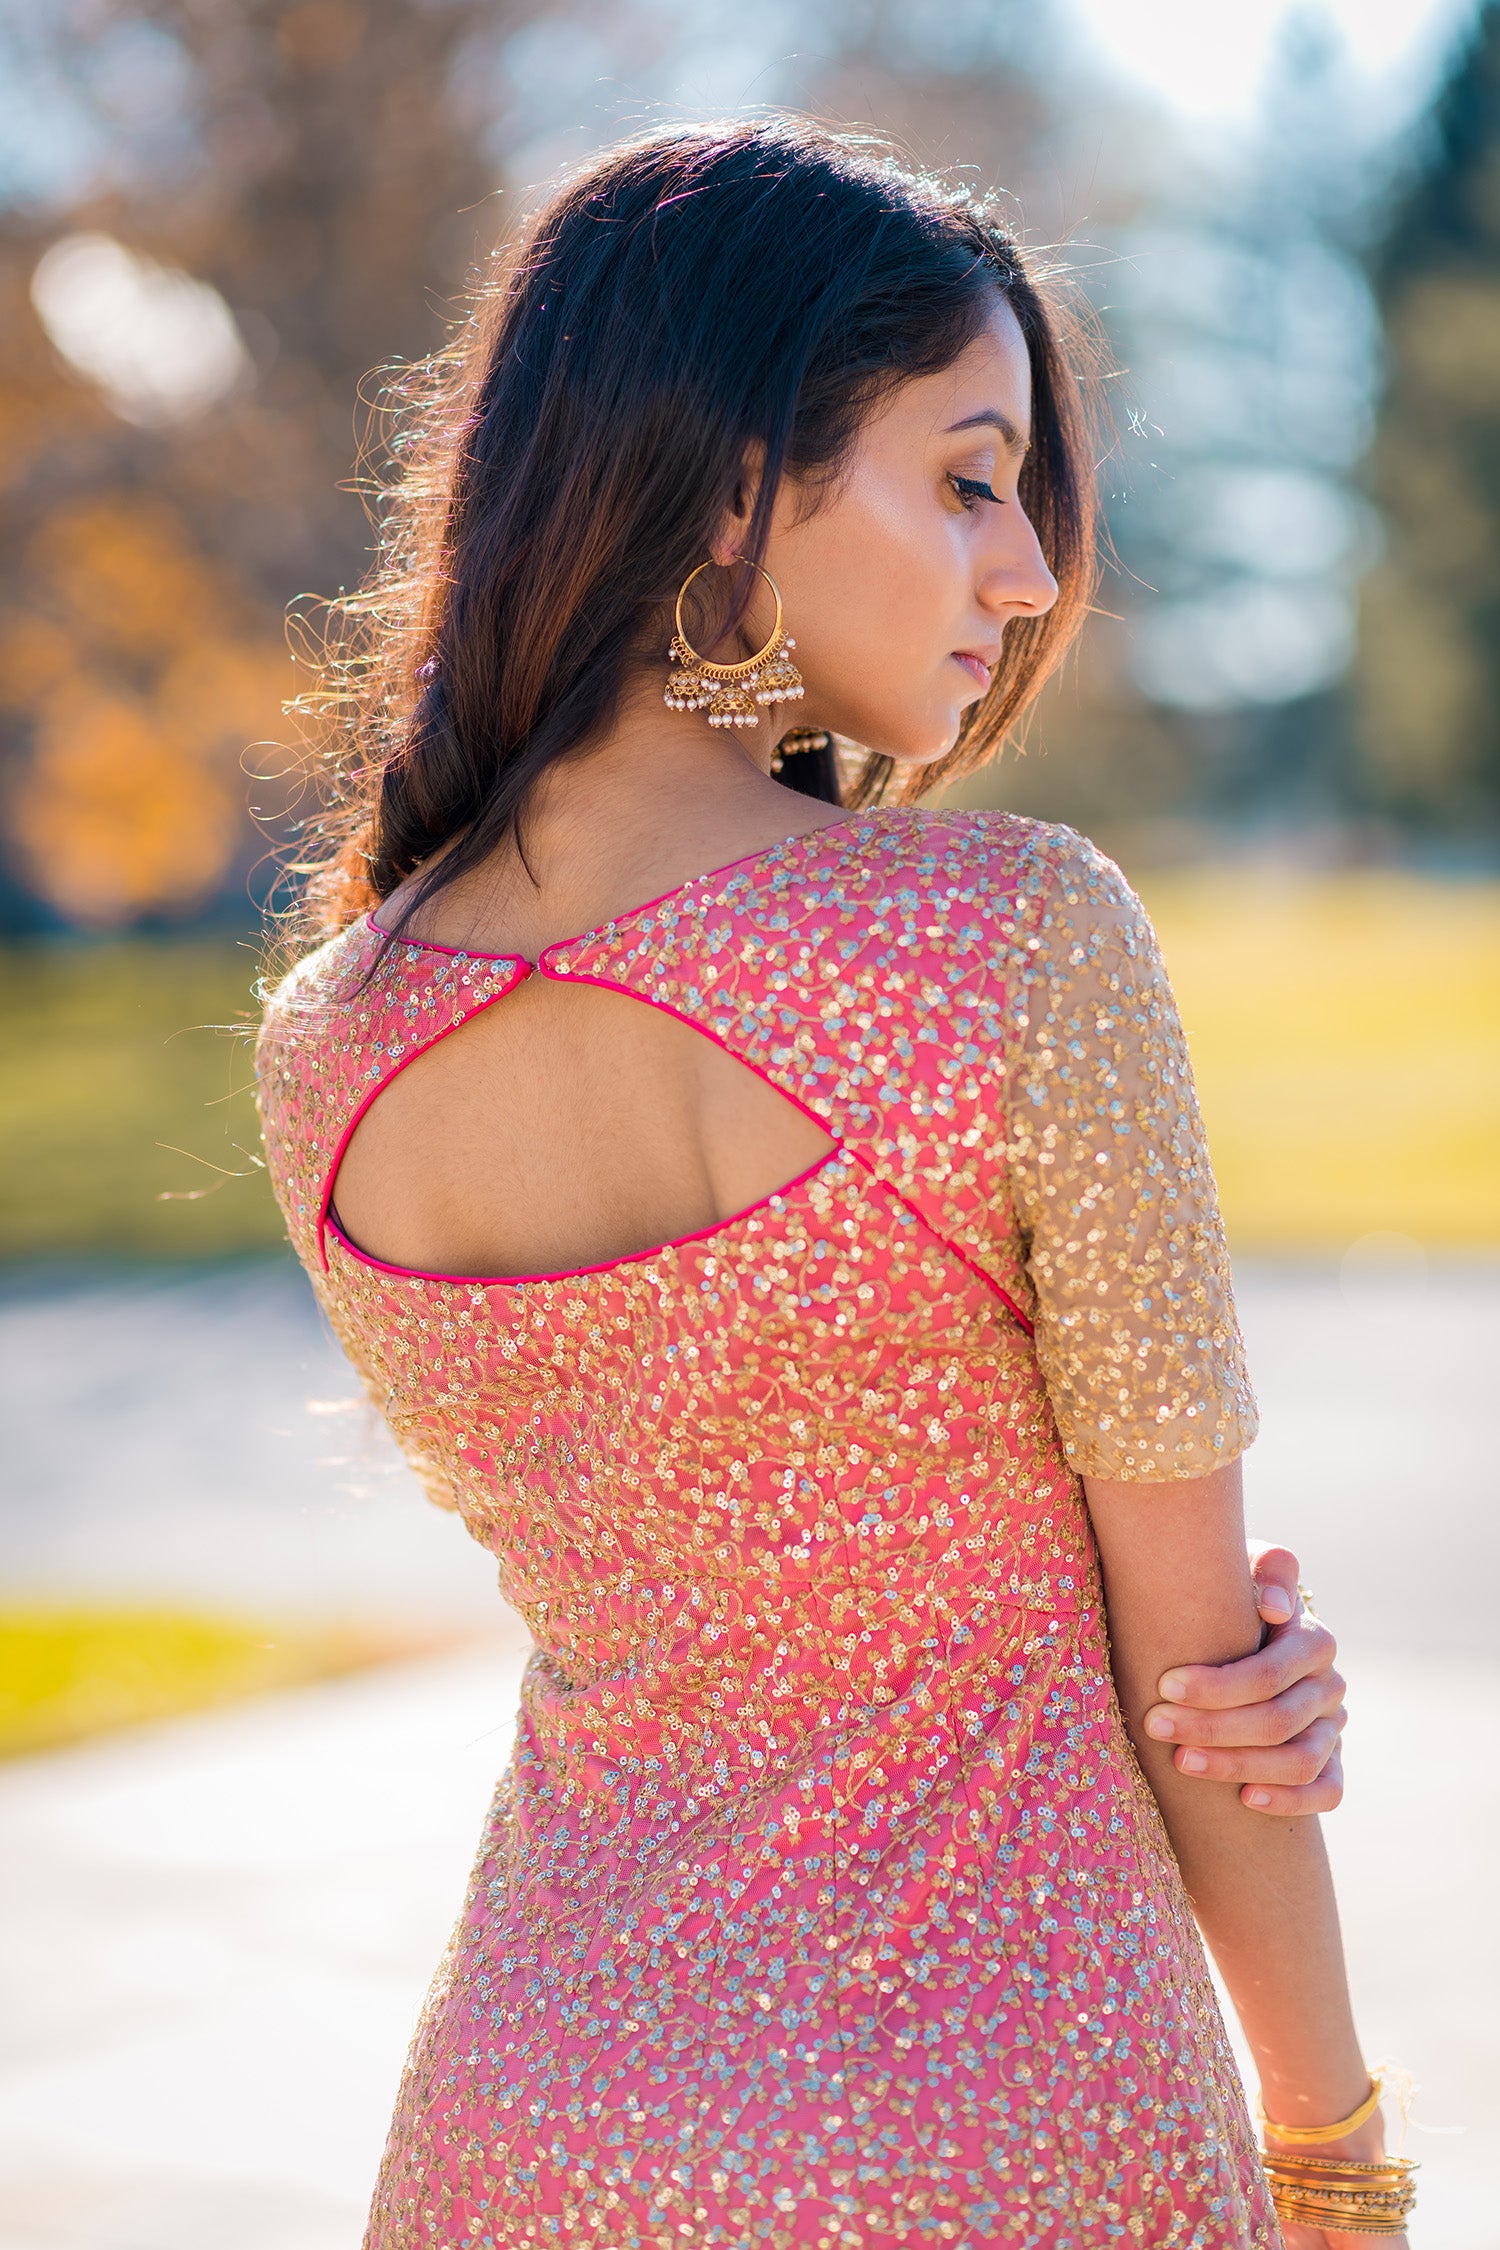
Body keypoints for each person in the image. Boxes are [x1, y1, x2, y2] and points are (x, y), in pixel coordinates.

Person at [256, 120, 1410, 2248]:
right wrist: (1335, 2149)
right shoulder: (1012, 939)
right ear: (723, 482)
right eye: (968, 477)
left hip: (527, 2132)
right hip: (1012, 2137)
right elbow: (1205, 1701)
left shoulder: (335, 1033)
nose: (1032, 571)